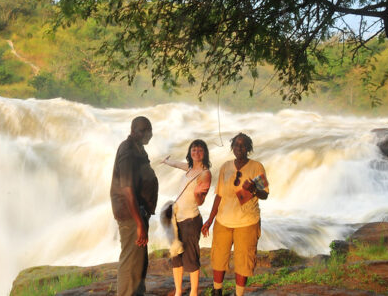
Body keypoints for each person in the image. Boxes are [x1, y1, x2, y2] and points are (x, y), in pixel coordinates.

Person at [201, 133, 269, 296]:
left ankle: (239, 294)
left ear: (249, 148)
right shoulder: (226, 167)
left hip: (247, 222)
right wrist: (210, 220)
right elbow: (219, 195)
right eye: (236, 145)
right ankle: (217, 290)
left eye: (243, 145)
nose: (239, 148)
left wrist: (255, 190)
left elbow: (265, 194)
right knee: (219, 258)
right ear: (232, 147)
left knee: (243, 261)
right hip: (223, 220)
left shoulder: (256, 167)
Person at [110, 116, 158, 296]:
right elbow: (127, 190)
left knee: (138, 264)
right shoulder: (128, 151)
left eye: (149, 130)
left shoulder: (137, 148)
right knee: (131, 264)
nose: (147, 134)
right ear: (132, 131)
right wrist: (139, 224)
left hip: (137, 212)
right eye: (143, 130)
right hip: (131, 215)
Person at [162, 139, 212, 296]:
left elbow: (201, 201)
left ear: (205, 153)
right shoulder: (190, 168)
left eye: (200, 150)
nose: (196, 152)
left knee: (191, 258)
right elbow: (178, 165)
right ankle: (178, 291)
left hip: (191, 220)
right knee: (176, 256)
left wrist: (198, 195)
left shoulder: (205, 173)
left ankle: (194, 292)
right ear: (190, 152)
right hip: (177, 218)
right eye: (193, 150)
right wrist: (167, 161)